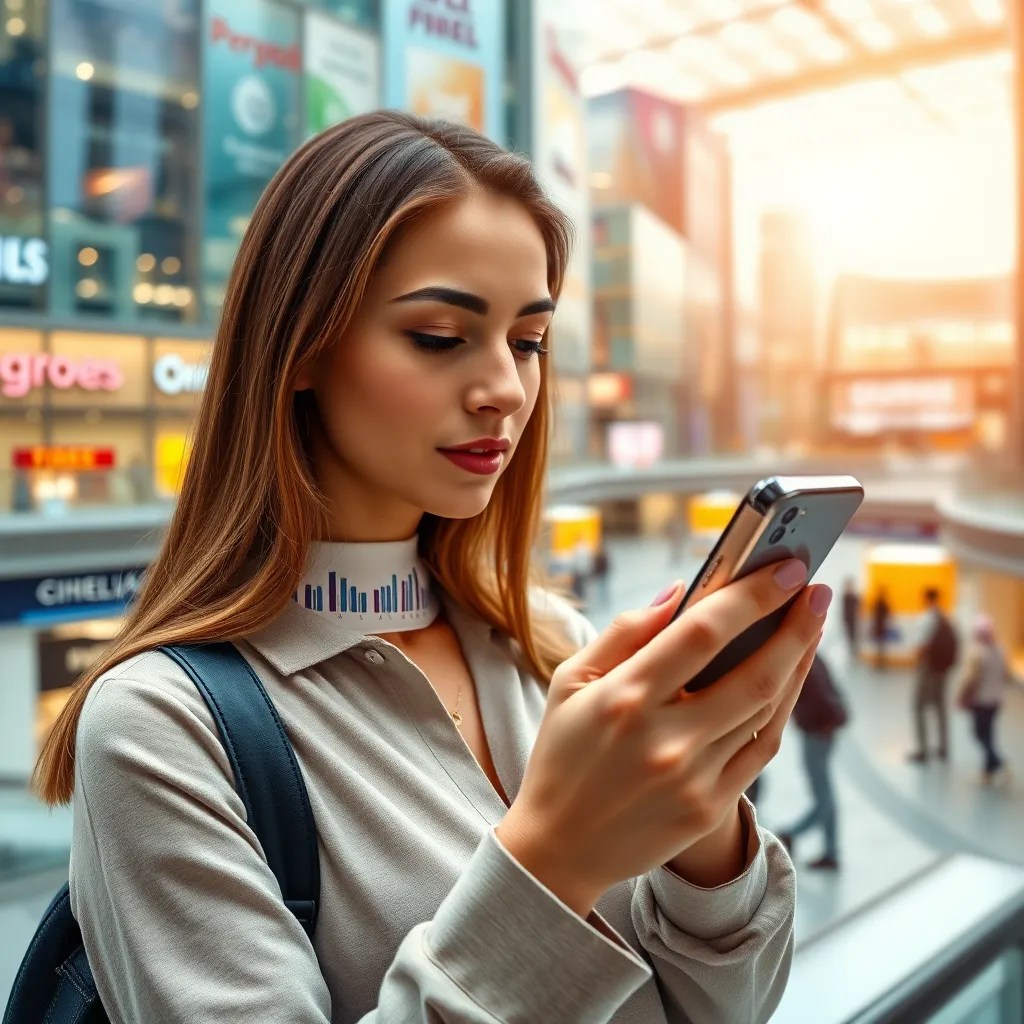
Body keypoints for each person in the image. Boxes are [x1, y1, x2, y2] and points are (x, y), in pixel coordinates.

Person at [32, 112, 829, 1023]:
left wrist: (706, 824)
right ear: (301, 348)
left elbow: (724, 1008)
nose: (505, 388)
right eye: (441, 336)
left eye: (528, 342)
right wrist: (555, 858)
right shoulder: (162, 726)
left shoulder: (552, 644)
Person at [777, 653, 848, 871]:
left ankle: (792, 833)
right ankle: (831, 851)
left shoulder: (804, 661)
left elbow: (821, 695)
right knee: (825, 792)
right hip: (822, 731)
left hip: (817, 733)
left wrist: (824, 721)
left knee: (823, 796)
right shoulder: (816, 657)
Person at [955, 614, 1011, 786]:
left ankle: (998, 762)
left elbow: (970, 678)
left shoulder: (977, 653)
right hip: (996, 700)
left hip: (981, 701)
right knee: (989, 734)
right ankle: (987, 773)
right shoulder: (1001, 650)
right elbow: (1006, 675)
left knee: (978, 734)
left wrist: (960, 696)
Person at [908, 588, 958, 764]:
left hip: (928, 669)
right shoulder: (944, 618)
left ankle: (923, 750)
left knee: (918, 706)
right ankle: (944, 748)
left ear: (926, 599)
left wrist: (916, 656)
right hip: (942, 670)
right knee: (940, 707)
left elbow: (922, 646)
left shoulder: (927, 618)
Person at [871, 588, 892, 670]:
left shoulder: (881, 603)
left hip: (881, 626)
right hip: (880, 626)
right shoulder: (880, 603)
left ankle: (880, 661)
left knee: (881, 645)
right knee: (880, 645)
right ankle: (880, 661)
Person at [842, 578, 860, 660]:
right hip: (848, 620)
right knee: (850, 638)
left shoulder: (854, 597)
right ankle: (851, 654)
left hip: (854, 621)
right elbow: (844, 610)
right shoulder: (846, 597)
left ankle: (854, 654)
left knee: (854, 638)